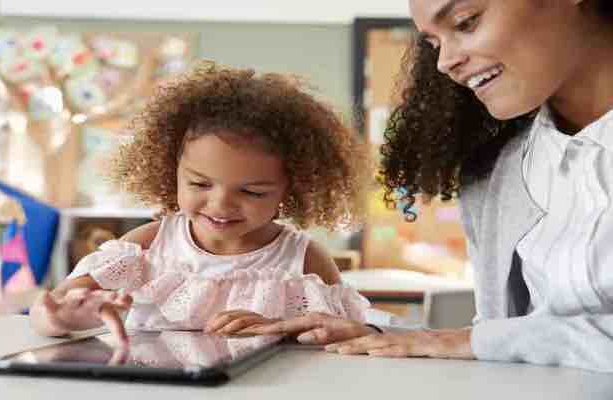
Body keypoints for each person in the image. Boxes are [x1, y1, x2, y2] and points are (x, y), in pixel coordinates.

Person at [242, 0, 613, 372]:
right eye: (434, 44)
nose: (444, 62)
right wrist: (376, 333)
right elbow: (502, 343)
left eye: (466, 22)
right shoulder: (497, 176)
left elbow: (498, 341)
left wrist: (471, 341)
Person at [30, 62, 388, 341]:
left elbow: (343, 338)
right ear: (172, 171)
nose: (220, 205)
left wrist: (280, 328)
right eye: (200, 183)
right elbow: (50, 311)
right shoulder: (146, 245)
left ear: (292, 189)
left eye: (252, 192)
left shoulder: (304, 258)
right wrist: (63, 318)